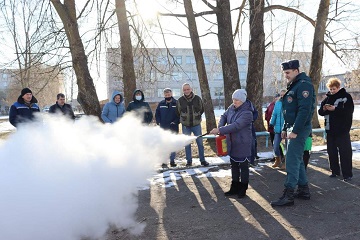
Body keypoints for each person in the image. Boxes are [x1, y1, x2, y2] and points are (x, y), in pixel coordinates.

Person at [270, 59, 315, 207]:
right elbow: (288, 111)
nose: (286, 76)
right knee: (298, 159)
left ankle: (288, 195)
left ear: (296, 70)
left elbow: (304, 111)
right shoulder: (294, 85)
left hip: (300, 128)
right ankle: (303, 190)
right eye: (285, 73)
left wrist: (295, 131)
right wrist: (284, 128)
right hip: (292, 127)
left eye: (288, 73)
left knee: (291, 160)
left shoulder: (304, 85)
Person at [210, 89, 253, 198]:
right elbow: (224, 116)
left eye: (237, 100)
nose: (234, 102)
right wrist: (220, 126)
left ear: (243, 101)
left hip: (243, 142)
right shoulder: (231, 108)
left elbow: (236, 126)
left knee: (243, 166)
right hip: (232, 142)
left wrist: (220, 130)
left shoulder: (247, 113)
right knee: (233, 164)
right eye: (233, 99)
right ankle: (234, 187)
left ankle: (243, 188)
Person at [318, 78, 354, 181]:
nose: (332, 91)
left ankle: (347, 174)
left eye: (334, 89)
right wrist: (324, 109)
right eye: (330, 89)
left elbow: (348, 111)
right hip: (330, 130)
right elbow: (320, 112)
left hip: (342, 130)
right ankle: (335, 171)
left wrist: (335, 109)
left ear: (338, 87)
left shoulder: (346, 97)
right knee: (332, 152)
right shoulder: (327, 99)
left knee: (345, 153)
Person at [176, 83, 209, 167]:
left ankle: (202, 160)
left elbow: (201, 109)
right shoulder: (180, 100)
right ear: (183, 91)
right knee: (187, 144)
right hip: (185, 126)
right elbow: (178, 111)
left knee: (200, 143)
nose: (186, 91)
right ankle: (189, 161)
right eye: (184, 90)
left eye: (188, 89)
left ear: (191, 89)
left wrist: (197, 117)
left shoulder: (197, 98)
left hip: (196, 125)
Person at [155, 88, 180, 168]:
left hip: (173, 127)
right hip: (163, 127)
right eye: (166, 95)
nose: (167, 96)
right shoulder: (161, 104)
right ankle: (164, 161)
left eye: (168, 95)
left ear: (171, 94)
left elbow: (180, 114)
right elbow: (157, 114)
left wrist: (175, 122)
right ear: (164, 95)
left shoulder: (176, 103)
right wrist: (158, 121)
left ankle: (172, 161)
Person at [269, 89, 286, 168]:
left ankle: (286, 162)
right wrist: (271, 123)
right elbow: (274, 114)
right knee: (275, 146)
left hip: (286, 128)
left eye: (284, 94)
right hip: (278, 128)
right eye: (281, 95)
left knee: (287, 148)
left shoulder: (289, 103)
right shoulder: (278, 103)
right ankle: (278, 160)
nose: (282, 96)